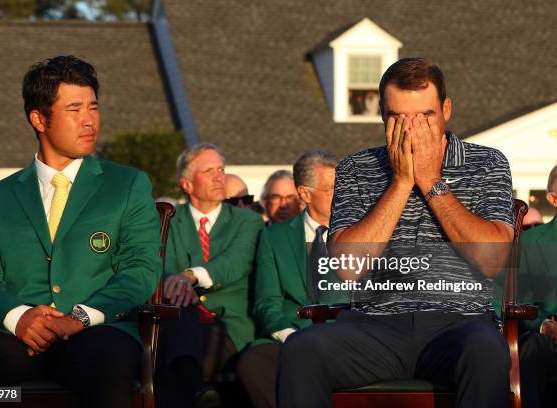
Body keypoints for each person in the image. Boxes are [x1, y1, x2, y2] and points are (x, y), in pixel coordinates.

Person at [278, 57, 515, 408]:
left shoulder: (487, 163)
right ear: (382, 116)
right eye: (398, 117)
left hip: (459, 323)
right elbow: (346, 268)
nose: (412, 127)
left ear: (446, 109)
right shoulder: (357, 168)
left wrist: (432, 181)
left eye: (424, 116)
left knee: (486, 349)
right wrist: (402, 183)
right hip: (373, 326)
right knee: (301, 349)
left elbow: (493, 260)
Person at [0, 56, 162, 408]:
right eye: (74, 108)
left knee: (105, 365)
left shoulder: (127, 185)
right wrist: (19, 318)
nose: (89, 119)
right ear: (38, 119)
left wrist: (80, 317)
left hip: (96, 331)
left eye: (93, 106)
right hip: (12, 336)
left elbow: (141, 271)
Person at [158, 143, 264, 407]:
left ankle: (196, 389)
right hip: (180, 319)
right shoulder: (166, 220)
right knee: (173, 322)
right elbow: (163, 265)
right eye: (209, 171)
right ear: (187, 184)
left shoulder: (246, 221)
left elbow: (234, 262)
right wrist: (177, 283)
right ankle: (198, 391)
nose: (220, 177)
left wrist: (190, 277)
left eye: (221, 169)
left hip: (228, 326)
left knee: (165, 357)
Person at [237, 150, 341, 408]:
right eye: (332, 189)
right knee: (253, 363)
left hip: (346, 336)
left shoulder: (364, 231)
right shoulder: (274, 237)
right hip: (292, 336)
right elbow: (266, 302)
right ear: (305, 194)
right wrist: (290, 337)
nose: (343, 194)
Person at [517, 164, 557, 408]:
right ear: (553, 198)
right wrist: (544, 326)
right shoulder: (530, 242)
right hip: (547, 339)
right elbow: (513, 299)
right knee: (533, 347)